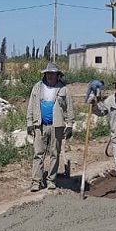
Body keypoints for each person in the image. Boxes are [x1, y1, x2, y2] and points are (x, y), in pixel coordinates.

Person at [26, 62, 74, 191]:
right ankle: (36, 181)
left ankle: (51, 180)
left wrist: (69, 124)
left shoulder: (63, 89)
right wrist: (30, 123)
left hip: (56, 126)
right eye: (48, 73)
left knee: (54, 153)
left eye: (52, 73)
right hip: (40, 125)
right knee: (38, 154)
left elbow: (69, 108)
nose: (50, 76)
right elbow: (31, 106)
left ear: (57, 75)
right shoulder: (37, 87)